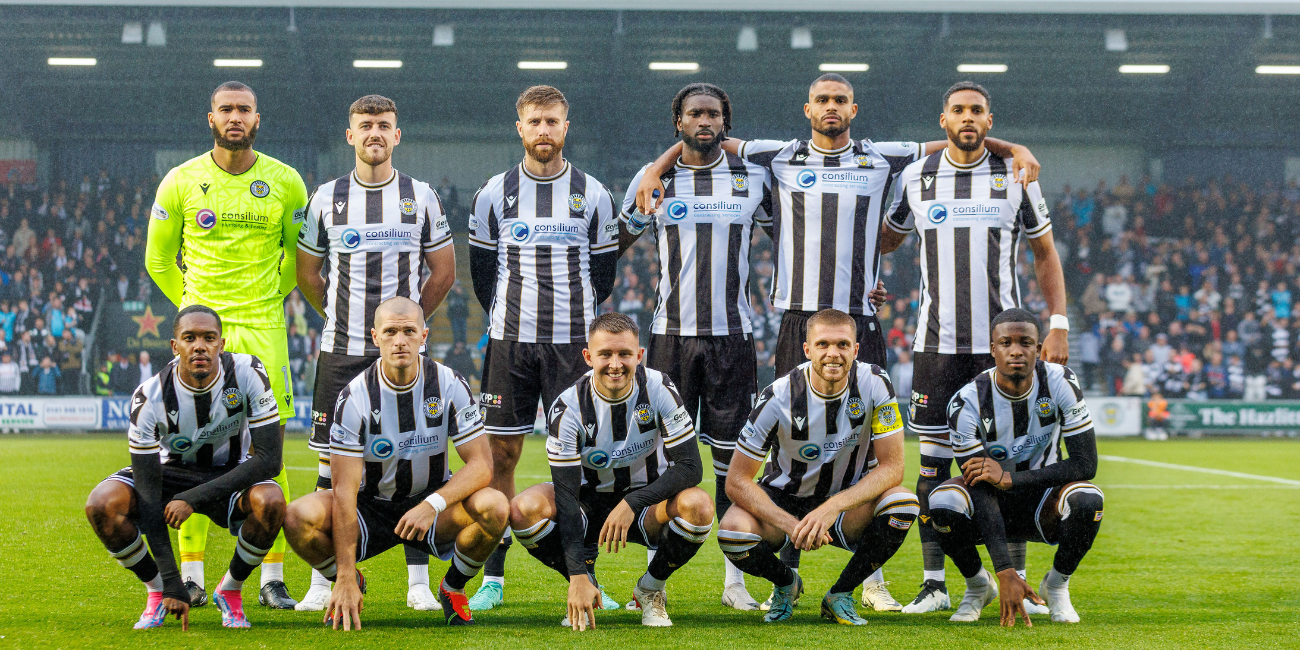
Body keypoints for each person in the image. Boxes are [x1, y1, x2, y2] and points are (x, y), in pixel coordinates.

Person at [634, 73, 1038, 607]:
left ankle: (871, 580)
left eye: (839, 101)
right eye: (822, 100)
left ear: (853, 108)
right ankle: (770, 574)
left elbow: (956, 137)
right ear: (808, 108)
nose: (831, 108)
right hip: (798, 320)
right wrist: (654, 168)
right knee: (783, 445)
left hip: (857, 321)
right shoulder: (778, 155)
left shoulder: (883, 157)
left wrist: (1016, 146)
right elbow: (702, 139)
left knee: (872, 441)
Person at [878, 81, 1068, 614]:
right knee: (935, 468)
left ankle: (1021, 583)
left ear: (990, 120)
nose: (968, 118)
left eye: (977, 111)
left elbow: (1045, 253)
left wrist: (1058, 324)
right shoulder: (915, 178)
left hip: (1001, 347)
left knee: (1009, 460)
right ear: (943, 121)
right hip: (936, 346)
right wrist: (871, 276)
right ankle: (936, 584)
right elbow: (888, 237)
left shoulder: (1016, 176)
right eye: (958, 110)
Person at [145, 81, 309, 609]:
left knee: (271, 452)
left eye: (244, 110)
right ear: (210, 117)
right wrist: (195, 309)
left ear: (257, 119)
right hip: (201, 331)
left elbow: (298, 261)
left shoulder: (286, 181)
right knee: (189, 446)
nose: (234, 117)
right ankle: (191, 576)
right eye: (226, 110)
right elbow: (157, 259)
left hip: (263, 329)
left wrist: (267, 299)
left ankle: (270, 579)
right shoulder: (182, 180)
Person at [293, 94, 456, 613]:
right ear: (350, 135)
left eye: (384, 126)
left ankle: (417, 585)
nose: (374, 134)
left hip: (402, 353)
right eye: (365, 126)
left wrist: (405, 324)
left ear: (397, 135)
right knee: (328, 463)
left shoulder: (420, 196)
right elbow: (307, 274)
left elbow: (444, 272)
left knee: (413, 457)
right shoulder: (326, 198)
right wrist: (350, 323)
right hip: (341, 350)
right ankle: (325, 579)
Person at [618, 83, 772, 610]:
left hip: (734, 337)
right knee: (661, 458)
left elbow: (799, 232)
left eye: (714, 113)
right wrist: (651, 180)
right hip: (670, 338)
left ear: (726, 122)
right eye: (694, 113)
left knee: (733, 462)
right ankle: (652, 585)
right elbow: (617, 241)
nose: (704, 120)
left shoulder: (754, 177)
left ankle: (735, 582)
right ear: (677, 122)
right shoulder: (654, 180)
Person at [465, 85, 619, 611]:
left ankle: (586, 576)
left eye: (553, 121)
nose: (544, 131)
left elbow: (605, 272)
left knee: (577, 461)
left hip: (573, 345)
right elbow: (483, 271)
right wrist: (509, 314)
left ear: (565, 127)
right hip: (511, 344)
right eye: (535, 122)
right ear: (520, 128)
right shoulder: (494, 192)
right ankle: (494, 576)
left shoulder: (593, 192)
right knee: (500, 455)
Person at [282, 297, 506, 628]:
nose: (399, 341)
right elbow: (343, 491)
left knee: (496, 506)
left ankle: (453, 587)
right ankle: (352, 583)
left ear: (424, 336)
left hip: (432, 509)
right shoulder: (354, 397)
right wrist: (342, 573)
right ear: (375, 337)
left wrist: (432, 504)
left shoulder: (449, 384)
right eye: (390, 332)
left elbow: (482, 466)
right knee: (296, 517)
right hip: (369, 508)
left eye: (408, 331)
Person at [83, 305, 286, 629]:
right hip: (167, 475)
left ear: (221, 343)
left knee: (272, 504)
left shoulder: (248, 372)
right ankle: (156, 592)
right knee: (101, 504)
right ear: (175, 346)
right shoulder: (149, 398)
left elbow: (269, 460)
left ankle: (230, 590)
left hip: (228, 471)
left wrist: (193, 498)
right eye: (189, 338)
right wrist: (170, 579)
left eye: (208, 337)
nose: (199, 346)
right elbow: (149, 497)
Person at [509, 312, 711, 629]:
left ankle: (650, 590)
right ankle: (585, 583)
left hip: (647, 506)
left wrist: (632, 502)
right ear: (589, 357)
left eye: (624, 354)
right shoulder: (568, 407)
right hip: (586, 507)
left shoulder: (659, 388)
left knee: (698, 506)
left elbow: (690, 467)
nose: (615, 364)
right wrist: (576, 573)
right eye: (605, 354)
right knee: (523, 510)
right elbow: (564, 495)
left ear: (639, 356)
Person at [718, 308, 919, 624]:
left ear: (855, 349)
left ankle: (840, 594)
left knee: (903, 504)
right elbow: (737, 481)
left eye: (842, 345)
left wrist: (832, 508)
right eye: (823, 344)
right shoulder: (778, 396)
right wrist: (791, 525)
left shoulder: (876, 382)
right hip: (784, 501)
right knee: (732, 533)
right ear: (807, 349)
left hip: (846, 505)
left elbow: (893, 468)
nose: (833, 354)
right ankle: (786, 583)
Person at [928, 308, 1103, 625]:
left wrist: (1012, 478)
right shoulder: (966, 403)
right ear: (993, 349)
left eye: (1025, 343)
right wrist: (1005, 571)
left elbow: (1086, 463)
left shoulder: (1061, 382)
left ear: (1038, 349)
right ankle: (979, 586)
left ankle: (1056, 586)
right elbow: (981, 488)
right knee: (942, 502)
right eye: (1006, 343)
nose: (1016, 351)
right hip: (990, 499)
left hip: (1044, 497)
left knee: (1089, 500)